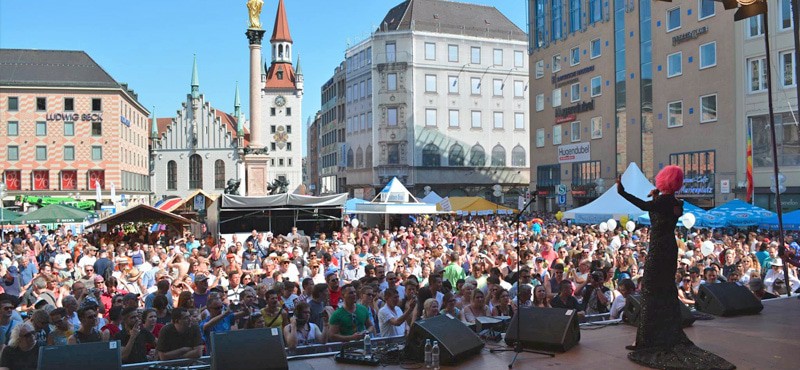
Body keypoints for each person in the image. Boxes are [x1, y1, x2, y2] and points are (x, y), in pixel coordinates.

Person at [617, 166, 734, 369]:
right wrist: (656, 197)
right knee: (664, 291)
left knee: (650, 292)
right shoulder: (677, 203)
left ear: (663, 180)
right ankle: (655, 337)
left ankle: (645, 341)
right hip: (669, 248)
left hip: (658, 248)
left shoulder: (661, 202)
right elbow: (659, 212)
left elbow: (644, 206)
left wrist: (622, 192)